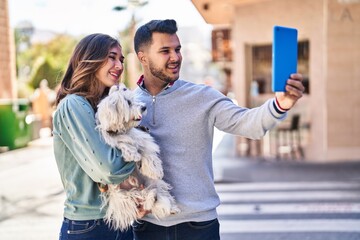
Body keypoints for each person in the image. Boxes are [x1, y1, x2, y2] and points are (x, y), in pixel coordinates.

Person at [132, 19, 305, 240]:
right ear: (143, 57)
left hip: (198, 226)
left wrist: (281, 104)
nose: (175, 57)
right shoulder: (125, 105)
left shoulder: (202, 96)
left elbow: (248, 123)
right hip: (146, 227)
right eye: (165, 51)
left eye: (177, 49)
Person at [52, 33, 137, 240]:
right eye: (111, 57)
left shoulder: (100, 106)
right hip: (89, 226)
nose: (119, 65)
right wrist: (136, 158)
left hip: (119, 219)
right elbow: (108, 169)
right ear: (89, 59)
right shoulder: (73, 104)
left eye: (121, 59)